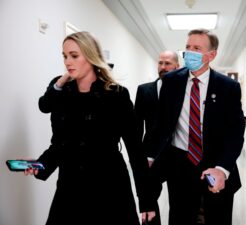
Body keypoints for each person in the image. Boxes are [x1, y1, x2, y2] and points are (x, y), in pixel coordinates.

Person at [24, 31, 156, 225]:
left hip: (109, 187)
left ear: (91, 56)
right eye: (65, 56)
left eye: (74, 56)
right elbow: (60, 143)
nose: (68, 62)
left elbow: (135, 151)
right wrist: (41, 165)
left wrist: (146, 201)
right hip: (70, 187)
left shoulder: (116, 95)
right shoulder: (63, 93)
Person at [150, 28, 245, 225]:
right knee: (181, 217)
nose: (189, 53)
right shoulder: (171, 81)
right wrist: (150, 156)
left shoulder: (228, 87)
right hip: (180, 166)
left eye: (196, 48)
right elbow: (160, 124)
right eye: (187, 47)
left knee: (216, 217)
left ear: (211, 55)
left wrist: (222, 169)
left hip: (214, 165)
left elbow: (235, 133)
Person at [134, 50, 180, 225]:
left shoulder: (185, 91)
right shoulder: (144, 90)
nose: (163, 67)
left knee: (178, 203)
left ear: (177, 66)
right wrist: (140, 156)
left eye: (167, 63)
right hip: (151, 157)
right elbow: (136, 127)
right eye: (160, 63)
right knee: (148, 201)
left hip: (178, 155)